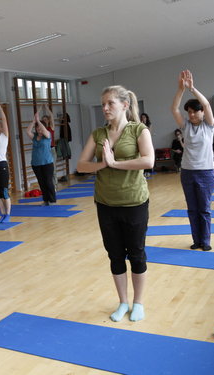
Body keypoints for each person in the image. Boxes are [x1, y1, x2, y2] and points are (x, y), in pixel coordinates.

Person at [77, 85, 154, 323]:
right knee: (115, 255)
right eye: (103, 104)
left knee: (137, 254)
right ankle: (123, 302)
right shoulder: (98, 134)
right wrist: (102, 164)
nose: (105, 108)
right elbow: (81, 166)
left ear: (124, 105)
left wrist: (115, 163)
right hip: (106, 203)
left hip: (134, 202)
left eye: (110, 103)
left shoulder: (139, 130)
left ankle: (138, 302)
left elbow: (148, 161)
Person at [171, 70, 214, 252]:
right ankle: (196, 240)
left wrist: (192, 88)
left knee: (204, 209)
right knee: (192, 209)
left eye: (194, 112)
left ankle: (205, 241)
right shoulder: (186, 126)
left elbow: (206, 103)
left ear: (201, 112)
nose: (191, 115)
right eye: (188, 112)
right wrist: (180, 89)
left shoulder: (209, 126)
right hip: (188, 172)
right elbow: (174, 109)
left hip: (205, 172)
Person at [27, 111, 56, 205]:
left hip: (47, 163)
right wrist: (34, 121)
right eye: (37, 128)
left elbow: (44, 130)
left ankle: (52, 200)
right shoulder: (34, 137)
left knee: (48, 182)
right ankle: (46, 200)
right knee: (41, 183)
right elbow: (27, 131)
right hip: (36, 164)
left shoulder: (47, 135)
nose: (39, 129)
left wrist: (39, 122)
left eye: (40, 128)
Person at [40, 105, 57, 187]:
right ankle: (49, 186)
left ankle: (55, 186)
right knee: (46, 170)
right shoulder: (41, 131)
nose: (44, 121)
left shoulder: (51, 128)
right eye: (43, 120)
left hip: (51, 150)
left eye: (46, 120)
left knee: (53, 169)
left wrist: (46, 108)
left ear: (48, 120)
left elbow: (52, 116)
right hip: (45, 151)